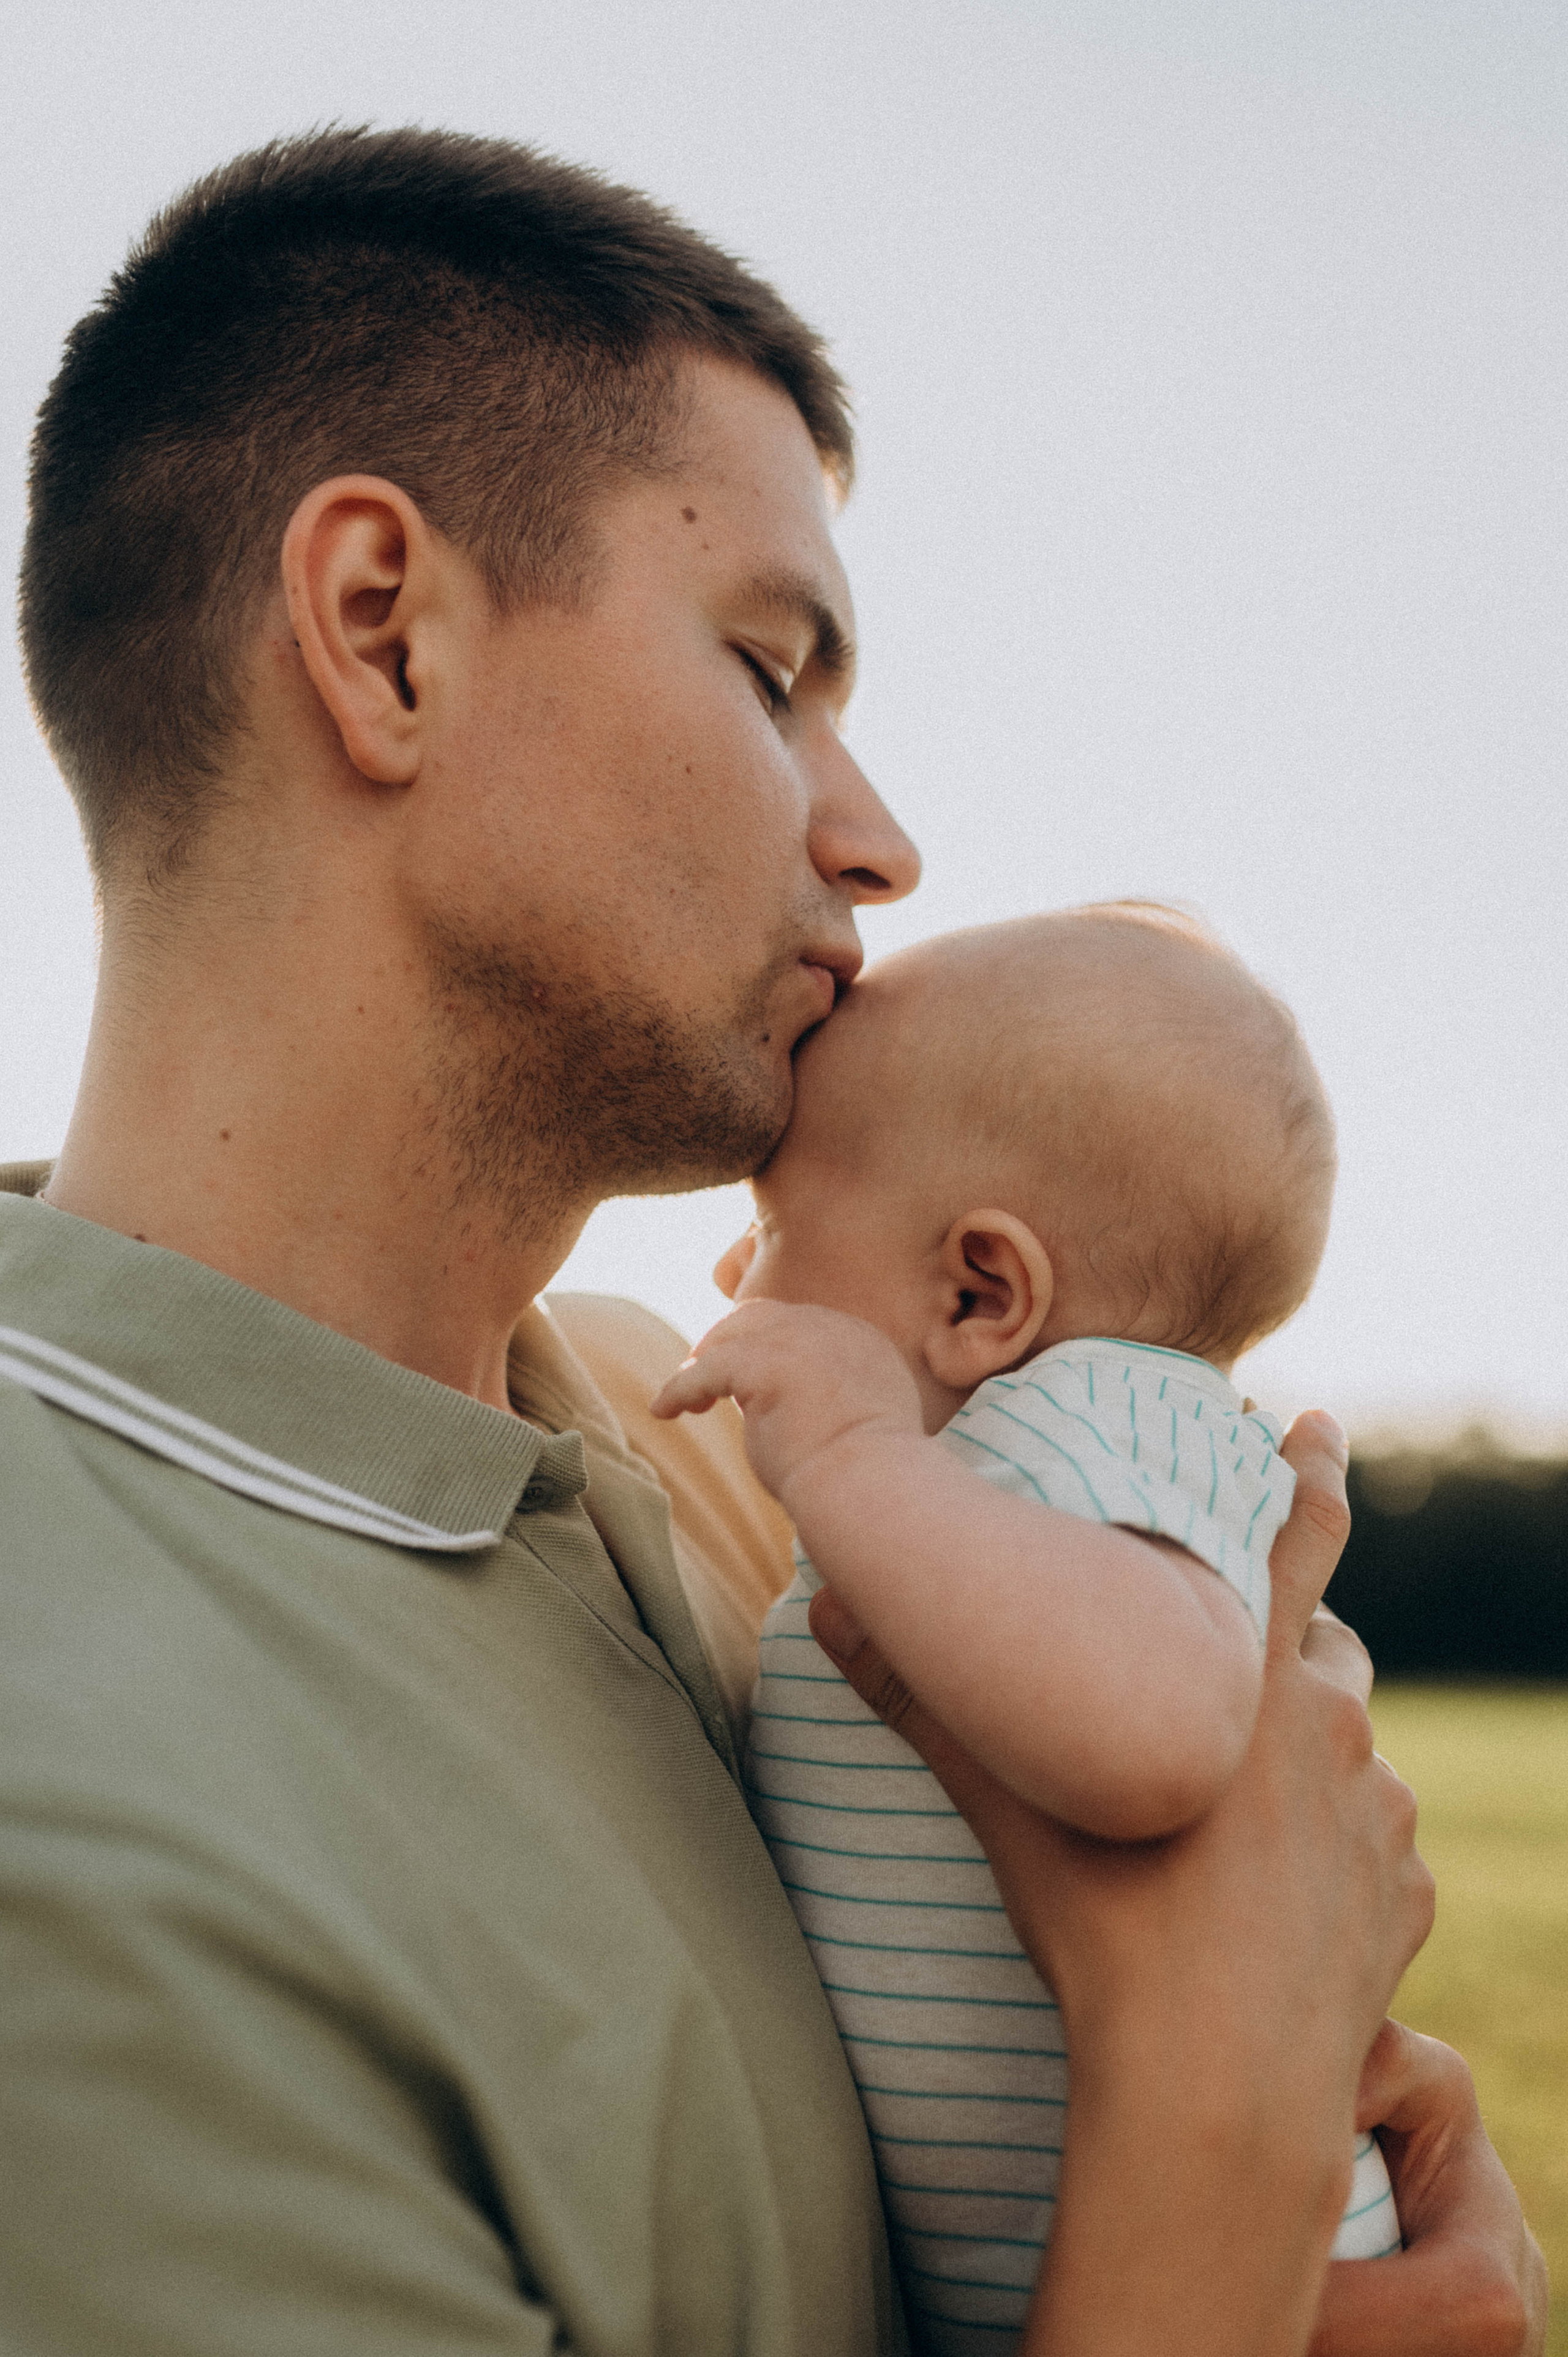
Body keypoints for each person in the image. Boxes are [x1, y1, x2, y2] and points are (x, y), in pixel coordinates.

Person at [0, 126, 1544, 2356]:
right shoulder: (71, 1821)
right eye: (769, 666)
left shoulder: (706, 1428)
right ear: (382, 634)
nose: (883, 836)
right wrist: (1215, 2085)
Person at [652, 904, 1397, 2351]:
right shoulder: (985, 1487)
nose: (735, 1278)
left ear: (979, 1294)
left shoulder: (1092, 1421)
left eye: (774, 1227)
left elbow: (1163, 1738)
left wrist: (855, 1446)